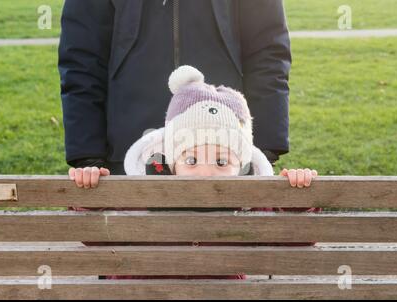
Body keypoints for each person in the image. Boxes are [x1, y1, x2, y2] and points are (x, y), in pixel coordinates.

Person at [69, 66, 320, 280]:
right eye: (191, 159)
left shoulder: (248, 207)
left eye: (222, 162)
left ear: (242, 166)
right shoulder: (141, 198)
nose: (206, 173)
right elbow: (95, 237)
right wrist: (90, 196)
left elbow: (296, 241)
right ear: (172, 162)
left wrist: (297, 200)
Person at [59, 0, 292, 175]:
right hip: (129, 153)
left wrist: (264, 148)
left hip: (224, 153)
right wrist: (88, 154)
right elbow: (82, 59)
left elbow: (268, 54)